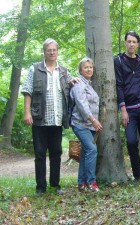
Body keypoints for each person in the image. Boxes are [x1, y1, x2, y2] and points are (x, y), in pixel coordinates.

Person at [21, 38, 78, 196]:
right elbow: (27, 91)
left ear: (57, 52)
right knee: (39, 154)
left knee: (56, 153)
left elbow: (72, 87)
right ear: (44, 52)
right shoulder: (35, 69)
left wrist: (73, 82)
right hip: (39, 120)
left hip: (57, 120)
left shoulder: (64, 71)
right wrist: (27, 112)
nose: (52, 52)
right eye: (49, 50)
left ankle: (55, 184)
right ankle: (40, 187)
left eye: (54, 50)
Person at [114, 31, 140, 182]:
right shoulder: (118, 61)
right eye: (129, 41)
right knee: (131, 142)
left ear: (137, 44)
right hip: (128, 110)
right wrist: (122, 109)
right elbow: (118, 85)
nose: (131, 44)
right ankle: (137, 175)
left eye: (134, 42)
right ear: (125, 43)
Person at [70, 57, 103, 192]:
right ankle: (91, 182)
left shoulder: (89, 84)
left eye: (90, 67)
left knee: (85, 152)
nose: (89, 69)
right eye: (86, 67)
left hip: (89, 125)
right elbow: (82, 105)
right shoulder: (78, 84)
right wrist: (94, 121)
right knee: (92, 149)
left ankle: (81, 183)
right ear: (80, 70)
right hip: (80, 123)